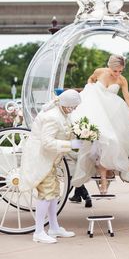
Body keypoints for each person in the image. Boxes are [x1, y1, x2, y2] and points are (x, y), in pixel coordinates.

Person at [71, 54, 129, 194]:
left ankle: (105, 180)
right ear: (109, 66)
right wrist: (90, 88)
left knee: (110, 142)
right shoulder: (99, 72)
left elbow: (127, 98)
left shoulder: (122, 80)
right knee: (98, 141)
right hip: (95, 110)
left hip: (111, 113)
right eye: (115, 71)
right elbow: (91, 80)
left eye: (121, 71)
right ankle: (102, 180)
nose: (117, 74)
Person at [20, 89, 82, 244]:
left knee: (53, 192)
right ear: (66, 104)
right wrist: (70, 144)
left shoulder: (62, 113)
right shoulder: (53, 117)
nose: (74, 109)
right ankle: (39, 231)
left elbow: (67, 130)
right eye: (73, 106)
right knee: (46, 193)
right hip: (42, 158)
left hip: (51, 159)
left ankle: (54, 227)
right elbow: (47, 143)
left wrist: (83, 133)